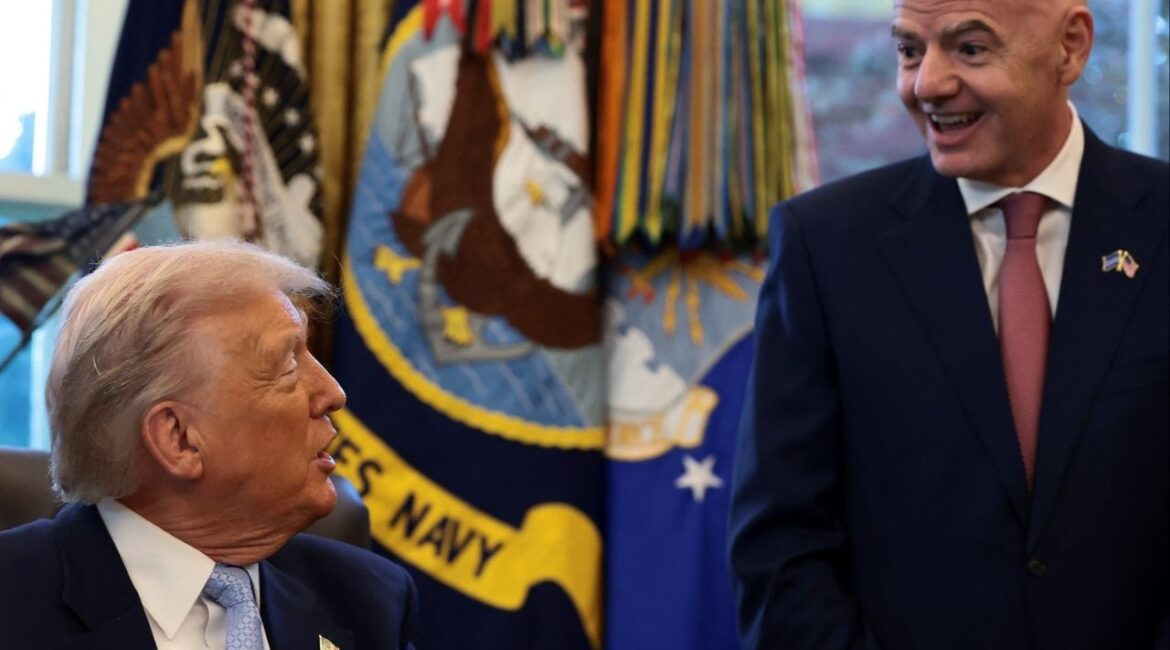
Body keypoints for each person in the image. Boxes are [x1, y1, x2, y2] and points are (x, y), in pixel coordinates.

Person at [728, 0, 1168, 648]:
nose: (926, 83)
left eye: (969, 48)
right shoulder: (825, 247)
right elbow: (782, 548)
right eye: (909, 49)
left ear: (1070, 48)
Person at [0, 241, 418, 649]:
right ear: (178, 439)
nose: (333, 393)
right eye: (288, 364)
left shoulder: (368, 601)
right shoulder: (14, 604)